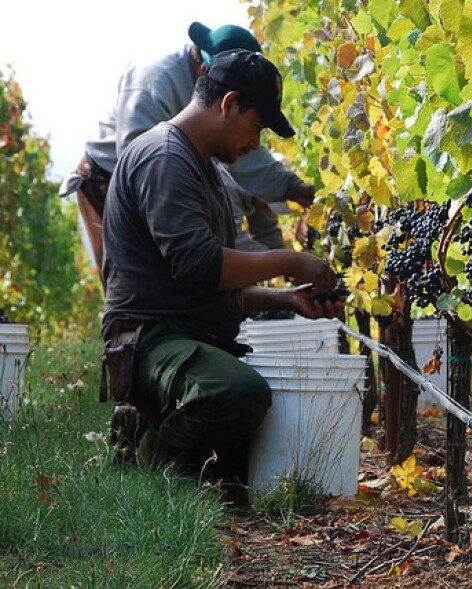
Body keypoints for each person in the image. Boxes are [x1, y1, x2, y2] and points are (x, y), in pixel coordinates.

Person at [100, 49, 338, 503]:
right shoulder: (164, 158)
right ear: (229, 104)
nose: (257, 141)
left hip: (185, 336)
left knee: (235, 485)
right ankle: (148, 475)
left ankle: (144, 429)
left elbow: (210, 282)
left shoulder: (202, 167)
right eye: (257, 125)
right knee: (237, 393)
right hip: (149, 340)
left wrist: (286, 300)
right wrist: (288, 260)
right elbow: (200, 265)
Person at [59, 21, 314, 269]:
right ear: (207, 69)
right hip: (106, 177)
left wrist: (293, 188)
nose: (255, 140)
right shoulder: (156, 79)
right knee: (131, 276)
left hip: (157, 180)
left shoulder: (214, 104)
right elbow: (136, 160)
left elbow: (243, 151)